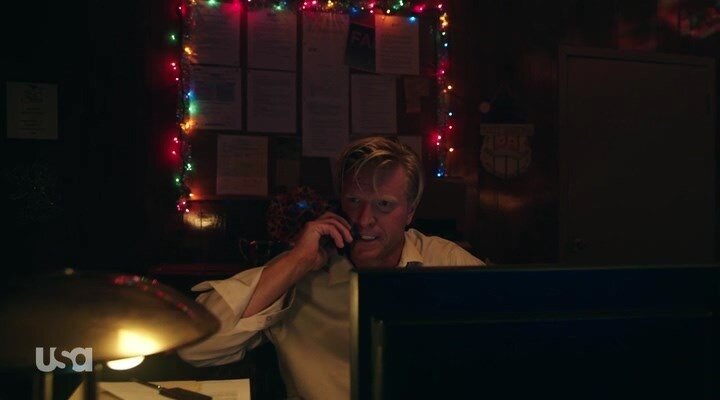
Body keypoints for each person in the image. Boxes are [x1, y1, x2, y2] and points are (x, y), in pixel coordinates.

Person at [178, 136, 485, 399]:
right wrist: (297, 261)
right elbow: (195, 345)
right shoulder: (301, 268)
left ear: (410, 212)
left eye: (384, 204)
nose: (364, 219)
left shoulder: (445, 261)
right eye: (354, 200)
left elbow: (503, 345)